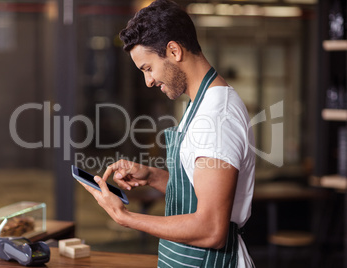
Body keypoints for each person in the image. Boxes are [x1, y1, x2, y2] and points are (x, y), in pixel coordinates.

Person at [77, 0, 256, 267]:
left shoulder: (217, 117)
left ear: (173, 51)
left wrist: (125, 217)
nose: (148, 81)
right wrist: (152, 176)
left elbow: (211, 229)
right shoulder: (201, 104)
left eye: (148, 68)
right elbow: (200, 189)